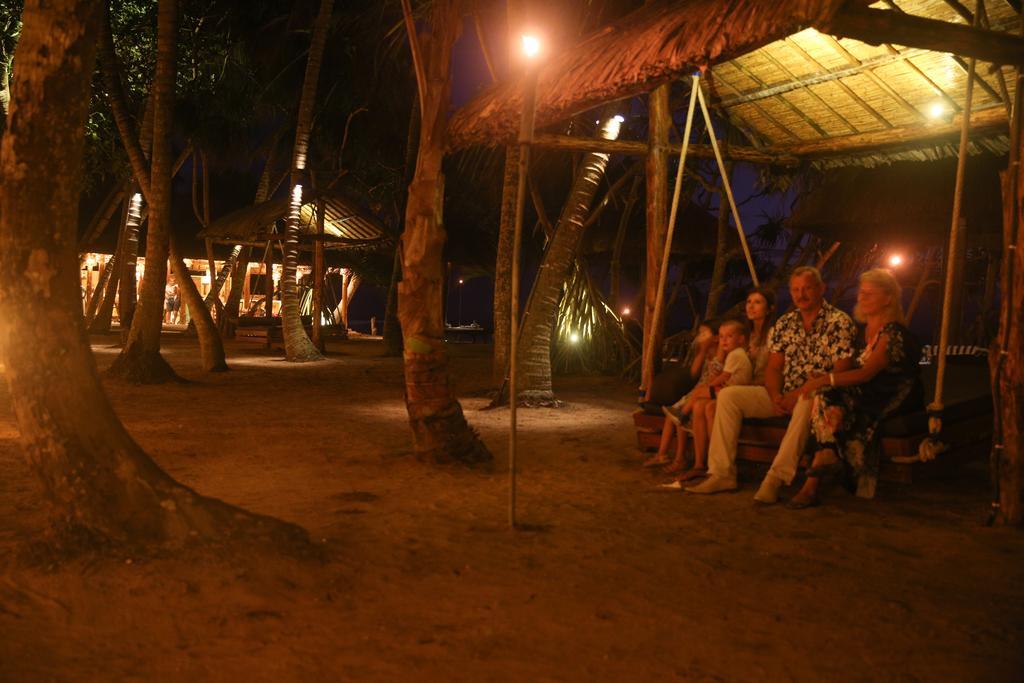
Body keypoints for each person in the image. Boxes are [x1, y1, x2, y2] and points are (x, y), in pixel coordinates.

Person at [687, 266, 857, 503]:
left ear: (821, 289)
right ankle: (721, 473)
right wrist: (776, 395)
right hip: (782, 393)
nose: (801, 294)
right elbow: (774, 368)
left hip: (817, 394)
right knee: (729, 396)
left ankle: (774, 479)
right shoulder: (786, 324)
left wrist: (794, 394)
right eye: (796, 289)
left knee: (807, 401)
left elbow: (842, 369)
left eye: (807, 288)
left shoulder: (839, 322)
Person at [787, 269, 922, 508]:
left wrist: (824, 380)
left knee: (825, 393)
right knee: (826, 398)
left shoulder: (892, 334)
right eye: (860, 293)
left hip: (891, 394)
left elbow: (867, 373)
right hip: (867, 390)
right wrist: (824, 379)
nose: (861, 298)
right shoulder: (864, 333)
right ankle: (824, 456)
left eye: (869, 294)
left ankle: (815, 476)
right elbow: (854, 372)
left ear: (888, 298)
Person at [652, 320, 752, 483]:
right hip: (726, 390)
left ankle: (682, 416)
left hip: (731, 393)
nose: (724, 340)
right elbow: (694, 373)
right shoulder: (728, 354)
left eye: (728, 336)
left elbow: (722, 377)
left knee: (698, 395)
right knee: (697, 402)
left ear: (741, 339)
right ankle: (694, 461)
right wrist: (703, 350)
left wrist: (709, 385)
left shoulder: (734, 355)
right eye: (722, 337)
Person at [642, 321, 718, 468]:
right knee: (673, 416)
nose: (700, 337)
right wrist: (702, 351)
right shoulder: (705, 353)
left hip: (705, 393)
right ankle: (662, 455)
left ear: (716, 338)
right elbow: (693, 373)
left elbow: (714, 377)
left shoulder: (720, 353)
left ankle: (679, 458)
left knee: (678, 416)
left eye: (704, 334)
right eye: (700, 333)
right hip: (696, 392)